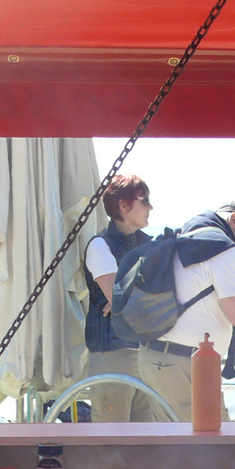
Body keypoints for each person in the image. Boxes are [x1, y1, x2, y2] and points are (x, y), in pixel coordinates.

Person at [136, 201, 235, 424]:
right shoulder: (222, 247)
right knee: (215, 444)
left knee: (174, 445)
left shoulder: (189, 238)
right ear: (234, 219)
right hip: (185, 364)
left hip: (158, 357)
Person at [81, 175, 156, 421]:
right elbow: (122, 299)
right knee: (110, 443)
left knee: (146, 444)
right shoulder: (100, 245)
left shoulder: (149, 245)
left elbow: (123, 300)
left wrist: (125, 298)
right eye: (144, 201)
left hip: (145, 354)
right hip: (112, 356)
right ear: (123, 205)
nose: (150, 207)